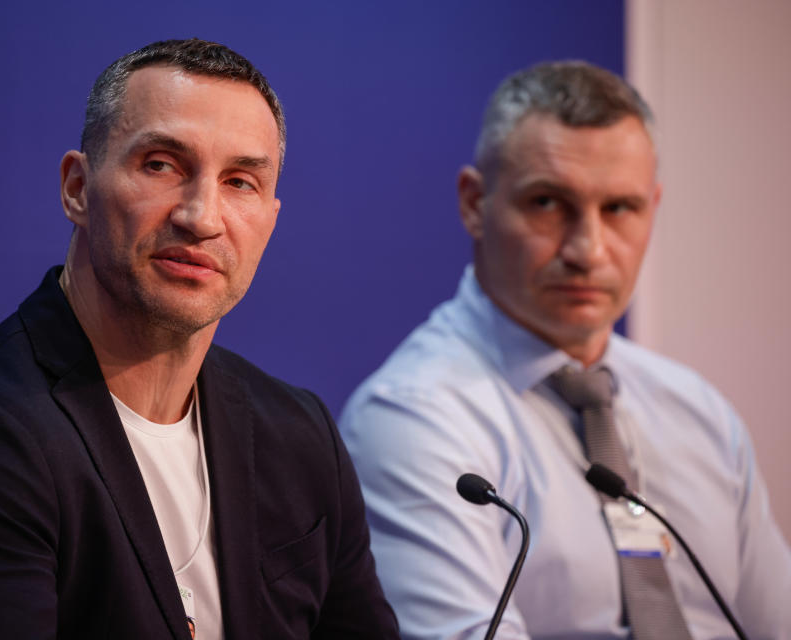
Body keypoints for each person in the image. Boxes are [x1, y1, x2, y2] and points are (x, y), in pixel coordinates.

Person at [0, 38, 398, 639]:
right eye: (162, 165)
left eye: (240, 181)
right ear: (77, 189)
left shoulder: (300, 435)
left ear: (270, 218)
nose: (202, 217)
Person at [339, 61, 791, 639]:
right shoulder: (412, 418)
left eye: (619, 209)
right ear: (475, 204)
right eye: (548, 203)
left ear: (653, 208)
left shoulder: (699, 411)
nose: (587, 249)